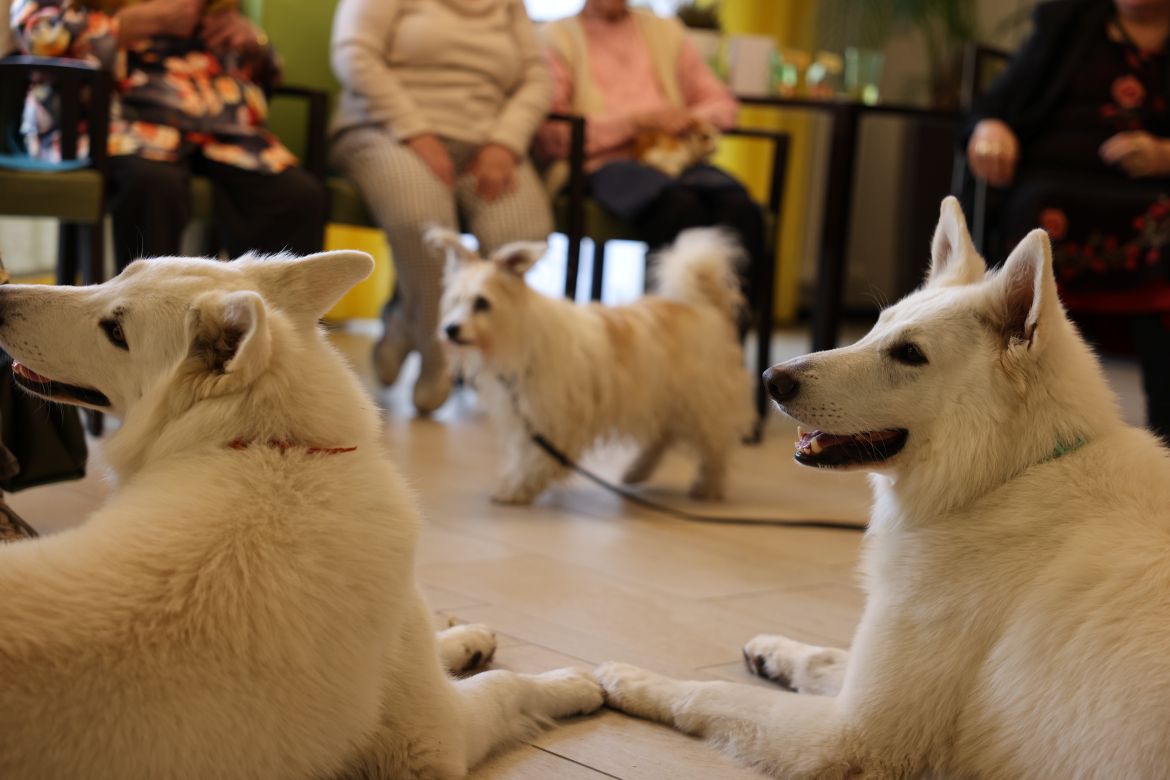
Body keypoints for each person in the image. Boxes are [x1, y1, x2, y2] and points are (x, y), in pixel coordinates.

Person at [960, 0, 1170, 440]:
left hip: (1151, 193)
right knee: (1037, 215)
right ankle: (1010, 417)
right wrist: (990, 127)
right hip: (1051, 186)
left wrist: (1163, 154)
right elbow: (995, 103)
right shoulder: (1067, 24)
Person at [330, 0, 552, 414]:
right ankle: (438, 355)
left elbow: (537, 79)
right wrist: (415, 132)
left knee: (521, 236)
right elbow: (354, 54)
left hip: (487, 143)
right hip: (384, 130)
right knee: (424, 225)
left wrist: (505, 142)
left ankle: (405, 318)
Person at [10, 0, 327, 270]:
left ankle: (266, 332)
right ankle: (145, 328)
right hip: (110, 120)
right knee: (153, 183)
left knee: (296, 196)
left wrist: (252, 42)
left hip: (216, 128)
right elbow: (38, 35)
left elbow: (268, 71)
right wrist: (126, 25)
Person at [537, 0, 764, 297]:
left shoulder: (666, 32)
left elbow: (723, 105)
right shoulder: (556, 36)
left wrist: (684, 119)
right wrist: (635, 123)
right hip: (601, 162)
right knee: (679, 207)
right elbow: (554, 134)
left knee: (740, 207)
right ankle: (665, 325)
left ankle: (728, 328)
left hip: (673, 158)